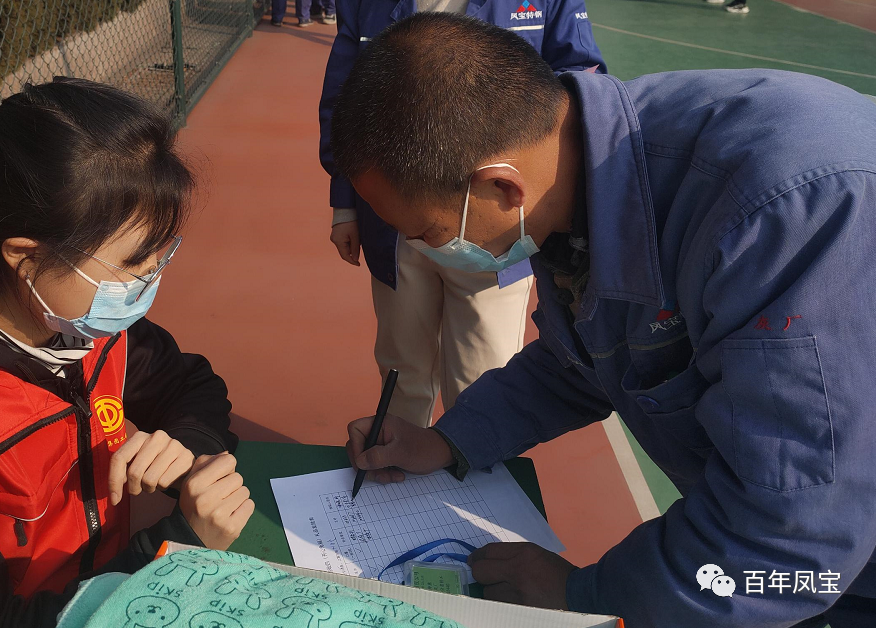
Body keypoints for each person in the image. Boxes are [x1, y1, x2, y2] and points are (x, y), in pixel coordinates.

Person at [334, 13, 876, 628]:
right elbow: (587, 357)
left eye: (430, 234)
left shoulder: (788, 219)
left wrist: (587, 597)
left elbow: (789, 540)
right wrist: (448, 440)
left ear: (502, 189)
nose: (427, 253)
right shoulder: (576, 174)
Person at [0, 78, 254, 628]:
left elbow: (189, 384)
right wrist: (174, 550)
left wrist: (188, 446)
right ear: (25, 257)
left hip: (102, 590)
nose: (149, 280)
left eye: (159, 257)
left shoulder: (79, 326)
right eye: (132, 263)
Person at [319, 0, 606, 427]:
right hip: (398, 225)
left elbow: (579, 83)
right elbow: (344, 104)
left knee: (485, 371)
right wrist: (344, 202)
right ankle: (399, 453)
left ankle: (473, 460)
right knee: (401, 364)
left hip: (495, 222)